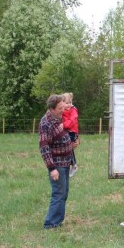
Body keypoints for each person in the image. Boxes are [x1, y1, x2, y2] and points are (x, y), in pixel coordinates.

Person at [39, 94, 75, 229]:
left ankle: (58, 221)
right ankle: (50, 224)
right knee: (58, 194)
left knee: (64, 193)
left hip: (66, 162)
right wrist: (52, 168)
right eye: (60, 108)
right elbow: (44, 147)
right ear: (52, 108)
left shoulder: (60, 117)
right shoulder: (45, 123)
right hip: (57, 164)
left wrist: (72, 142)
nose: (63, 109)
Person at [61, 92, 80, 177]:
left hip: (72, 132)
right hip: (67, 131)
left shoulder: (73, 110)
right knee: (67, 148)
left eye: (70, 103)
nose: (69, 105)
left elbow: (72, 122)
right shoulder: (62, 111)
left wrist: (63, 125)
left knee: (69, 146)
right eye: (66, 103)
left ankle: (74, 164)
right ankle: (69, 166)